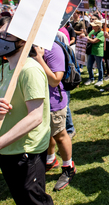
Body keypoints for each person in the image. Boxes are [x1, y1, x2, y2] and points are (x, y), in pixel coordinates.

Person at [0, 17, 53, 204]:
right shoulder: (6, 68)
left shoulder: (30, 70)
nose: (1, 39)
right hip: (8, 150)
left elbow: (35, 117)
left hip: (25, 152)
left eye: (6, 35)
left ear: (23, 40)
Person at [33, 38, 76, 191]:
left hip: (53, 101)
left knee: (59, 134)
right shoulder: (29, 44)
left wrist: (38, 58)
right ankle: (51, 159)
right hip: (37, 100)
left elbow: (55, 80)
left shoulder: (52, 47)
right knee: (47, 133)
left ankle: (68, 166)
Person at [83, 20, 105, 87]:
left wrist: (87, 38)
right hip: (91, 51)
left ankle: (100, 80)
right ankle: (91, 78)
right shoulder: (92, 31)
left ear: (98, 26)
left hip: (98, 51)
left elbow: (93, 41)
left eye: (94, 25)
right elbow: (89, 37)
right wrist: (86, 36)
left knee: (99, 66)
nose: (92, 26)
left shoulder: (101, 33)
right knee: (89, 66)